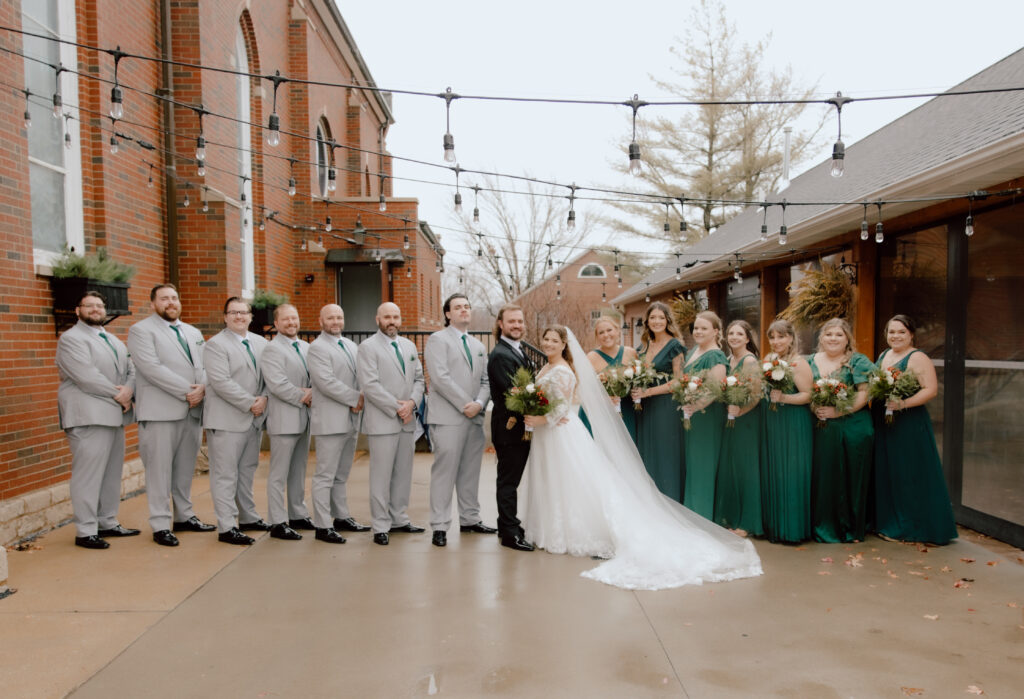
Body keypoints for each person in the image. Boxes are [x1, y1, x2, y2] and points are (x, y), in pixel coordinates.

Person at [520, 325, 762, 590]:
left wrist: (541, 418)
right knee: (555, 480)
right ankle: (548, 529)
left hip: (559, 431)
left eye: (555, 340)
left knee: (570, 481)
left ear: (564, 344)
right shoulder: (545, 367)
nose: (549, 344)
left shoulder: (564, 370)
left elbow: (563, 405)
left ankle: (569, 533)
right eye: (546, 340)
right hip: (548, 433)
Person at [127, 283, 214, 547]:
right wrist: (188, 391)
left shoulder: (192, 331)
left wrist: (204, 388)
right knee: (159, 470)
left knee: (185, 468)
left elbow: (205, 364)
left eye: (174, 298)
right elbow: (150, 368)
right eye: (164, 298)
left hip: (192, 410)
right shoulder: (141, 331)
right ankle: (160, 523)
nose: (171, 302)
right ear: (153, 303)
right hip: (160, 411)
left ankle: (184, 516)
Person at [56, 291, 138, 549]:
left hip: (114, 415)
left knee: (111, 473)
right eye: (88, 306)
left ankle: (107, 521)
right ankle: (85, 530)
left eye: (99, 306)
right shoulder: (71, 339)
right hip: (88, 416)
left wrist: (129, 389)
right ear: (77, 311)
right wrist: (121, 395)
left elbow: (131, 369)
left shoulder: (113, 339)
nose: (95, 309)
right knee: (88, 475)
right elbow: (86, 377)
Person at [872, 315, 957, 545]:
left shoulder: (918, 357)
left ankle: (915, 526)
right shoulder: (883, 355)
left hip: (908, 422)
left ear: (911, 334)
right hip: (884, 421)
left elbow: (930, 390)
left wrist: (903, 404)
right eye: (891, 332)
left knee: (910, 472)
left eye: (901, 332)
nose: (896, 336)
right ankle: (891, 522)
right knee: (890, 471)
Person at [425, 294, 495, 548]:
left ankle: (470, 519)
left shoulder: (477, 346)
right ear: (447, 314)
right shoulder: (437, 340)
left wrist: (479, 404)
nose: (463, 310)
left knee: (470, 472)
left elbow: (486, 381)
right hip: (448, 418)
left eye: (466, 306)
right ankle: (440, 526)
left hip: (473, 417)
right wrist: (467, 403)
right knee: (445, 473)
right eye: (458, 307)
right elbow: (440, 378)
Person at [202, 297, 271, 546]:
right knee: (225, 475)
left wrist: (263, 398)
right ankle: (227, 526)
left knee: (246, 472)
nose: (239, 317)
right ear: (225, 317)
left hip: (253, 419)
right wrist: (250, 402)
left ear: (251, 317)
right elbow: (220, 382)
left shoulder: (261, 343)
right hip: (227, 420)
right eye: (234, 313)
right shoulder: (215, 345)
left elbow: (268, 377)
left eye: (244, 312)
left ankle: (248, 516)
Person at [356, 302, 425, 546]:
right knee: (381, 475)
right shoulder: (367, 347)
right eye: (387, 317)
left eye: (395, 316)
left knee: (403, 473)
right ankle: (381, 525)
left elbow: (419, 379)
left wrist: (412, 403)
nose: (392, 321)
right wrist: (398, 407)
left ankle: (399, 518)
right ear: (378, 319)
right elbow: (370, 385)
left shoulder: (408, 346)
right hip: (383, 420)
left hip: (407, 420)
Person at [808, 317, 875, 543]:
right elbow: (805, 391)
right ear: (821, 338)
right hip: (822, 429)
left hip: (853, 427)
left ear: (847, 339)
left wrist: (838, 412)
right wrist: (816, 406)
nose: (833, 338)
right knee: (825, 477)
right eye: (828, 334)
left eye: (839, 334)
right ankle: (824, 525)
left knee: (851, 477)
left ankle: (851, 528)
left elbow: (865, 393)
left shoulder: (857, 361)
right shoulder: (810, 361)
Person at [306, 304, 369, 545]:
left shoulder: (351, 346)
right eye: (330, 317)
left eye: (339, 317)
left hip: (351, 418)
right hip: (331, 421)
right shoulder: (317, 348)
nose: (336, 321)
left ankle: (341, 516)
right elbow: (326, 382)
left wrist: (362, 395)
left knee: (341, 475)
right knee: (325, 475)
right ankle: (323, 525)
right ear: (321, 321)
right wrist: (356, 398)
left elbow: (361, 376)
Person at [260, 304, 314, 541]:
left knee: (299, 469)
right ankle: (277, 521)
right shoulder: (272, 350)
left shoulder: (306, 347)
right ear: (277, 323)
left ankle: (298, 513)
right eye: (286, 319)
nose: (291, 323)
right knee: (279, 473)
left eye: (294, 318)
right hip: (284, 417)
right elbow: (277, 384)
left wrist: (312, 392)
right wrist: (305, 395)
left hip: (305, 418)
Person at [486, 304, 537, 552]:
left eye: (519, 321)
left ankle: (507, 524)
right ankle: (509, 533)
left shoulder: (516, 350)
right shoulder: (500, 355)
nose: (517, 325)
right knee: (508, 482)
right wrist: (542, 408)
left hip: (519, 428)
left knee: (510, 480)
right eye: (511, 321)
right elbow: (513, 393)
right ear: (500, 324)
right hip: (510, 428)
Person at [759, 319, 814, 544]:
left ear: (791, 338)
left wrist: (784, 398)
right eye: (772, 337)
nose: (776, 341)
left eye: (781, 336)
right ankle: (774, 527)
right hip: (772, 421)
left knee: (791, 474)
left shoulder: (798, 363)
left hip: (793, 423)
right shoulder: (769, 360)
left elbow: (808, 395)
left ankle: (792, 531)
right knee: (774, 471)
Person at [630, 302, 686, 501]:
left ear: (667, 321)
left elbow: (679, 381)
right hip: (644, 408)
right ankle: (650, 502)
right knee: (646, 452)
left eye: (661, 318)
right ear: (647, 321)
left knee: (665, 453)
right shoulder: (643, 346)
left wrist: (649, 392)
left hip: (666, 406)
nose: (657, 321)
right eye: (653, 318)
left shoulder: (675, 346)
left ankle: (670, 500)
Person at [714, 320, 763, 537]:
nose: (734, 337)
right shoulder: (727, 359)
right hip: (730, 419)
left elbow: (756, 395)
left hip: (746, 422)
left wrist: (740, 412)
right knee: (730, 469)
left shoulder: (749, 361)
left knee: (745, 470)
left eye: (739, 334)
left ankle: (747, 522)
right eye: (731, 333)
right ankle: (731, 517)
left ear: (747, 338)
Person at [680, 311, 729, 520]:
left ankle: (702, 515)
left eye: (704, 328)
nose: (698, 332)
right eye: (696, 328)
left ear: (716, 331)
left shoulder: (716, 355)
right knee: (692, 462)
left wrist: (696, 405)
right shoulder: (692, 352)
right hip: (691, 413)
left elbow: (716, 388)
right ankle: (691, 511)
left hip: (706, 415)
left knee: (703, 463)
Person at [586, 316, 638, 443]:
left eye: (609, 330)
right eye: (601, 332)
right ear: (597, 337)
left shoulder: (631, 353)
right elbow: (585, 390)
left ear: (617, 331)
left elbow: (638, 380)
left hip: (627, 410)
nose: (606, 335)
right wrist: (604, 398)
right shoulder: (591, 357)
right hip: (602, 413)